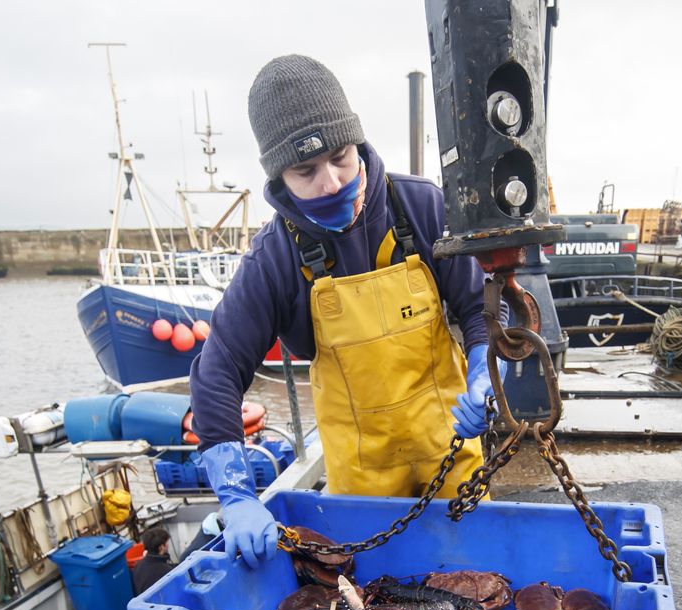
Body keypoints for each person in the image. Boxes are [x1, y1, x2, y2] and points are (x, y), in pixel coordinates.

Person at [189, 55, 504, 569]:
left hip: (451, 446)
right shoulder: (275, 257)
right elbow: (217, 371)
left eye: (339, 156)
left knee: (477, 576)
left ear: (357, 141)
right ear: (279, 178)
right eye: (305, 170)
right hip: (361, 480)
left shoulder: (423, 209)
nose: (332, 182)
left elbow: (477, 306)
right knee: (375, 595)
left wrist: (484, 368)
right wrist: (237, 494)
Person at [133, 527, 176, 595]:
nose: (168, 545)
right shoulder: (166, 572)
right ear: (161, 547)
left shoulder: (138, 565)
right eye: (167, 542)